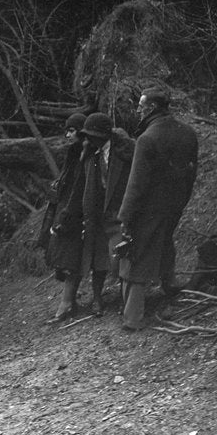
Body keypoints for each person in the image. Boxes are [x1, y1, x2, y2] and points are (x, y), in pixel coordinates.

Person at [117, 87, 199, 331]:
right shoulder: (188, 133)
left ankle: (132, 318)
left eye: (141, 106)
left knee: (139, 255)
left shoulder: (147, 139)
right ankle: (170, 286)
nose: (138, 111)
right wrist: (182, 200)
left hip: (149, 208)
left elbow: (136, 184)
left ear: (152, 108)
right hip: (174, 204)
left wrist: (126, 216)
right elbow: (191, 174)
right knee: (165, 242)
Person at [79, 112, 134, 317]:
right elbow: (85, 187)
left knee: (119, 257)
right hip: (97, 215)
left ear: (105, 135)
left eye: (93, 135)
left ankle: (124, 298)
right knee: (96, 259)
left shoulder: (124, 153)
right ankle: (97, 298)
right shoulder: (90, 156)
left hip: (118, 214)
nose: (89, 139)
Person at [43, 113, 89, 322]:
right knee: (64, 256)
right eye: (67, 130)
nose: (68, 134)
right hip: (65, 207)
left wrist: (68, 213)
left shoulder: (86, 153)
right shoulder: (73, 152)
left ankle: (67, 304)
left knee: (71, 257)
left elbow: (80, 185)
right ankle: (69, 301)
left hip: (76, 211)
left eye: (71, 130)